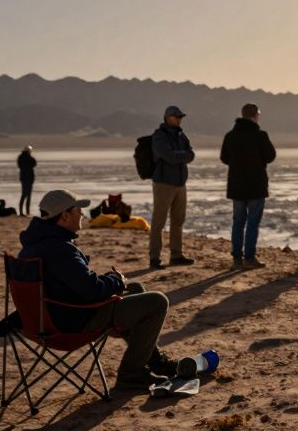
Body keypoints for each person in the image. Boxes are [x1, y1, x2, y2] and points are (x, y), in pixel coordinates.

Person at [18, 189, 178, 392]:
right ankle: (131, 374)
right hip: (74, 321)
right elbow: (92, 290)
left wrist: (111, 282)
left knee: (135, 288)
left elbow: (77, 283)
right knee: (158, 301)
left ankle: (155, 361)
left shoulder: (33, 246)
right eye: (78, 210)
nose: (83, 215)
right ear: (65, 216)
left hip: (47, 318)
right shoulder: (60, 249)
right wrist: (116, 279)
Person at [220, 103, 277, 270]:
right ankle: (249, 258)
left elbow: (224, 158)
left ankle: (237, 259)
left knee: (238, 221)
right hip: (256, 186)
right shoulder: (260, 135)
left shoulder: (230, 136)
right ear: (255, 116)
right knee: (252, 222)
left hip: (237, 186)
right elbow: (271, 156)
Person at [150, 105, 196, 269]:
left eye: (180, 117)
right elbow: (168, 156)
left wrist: (180, 155)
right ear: (168, 117)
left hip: (180, 184)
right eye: (176, 117)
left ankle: (176, 255)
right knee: (158, 222)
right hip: (164, 183)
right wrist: (182, 155)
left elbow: (191, 154)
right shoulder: (159, 136)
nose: (179, 119)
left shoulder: (181, 136)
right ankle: (154, 258)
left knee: (178, 221)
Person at [17, 146, 37, 216]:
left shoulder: (21, 157)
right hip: (26, 178)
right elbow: (34, 163)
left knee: (28, 195)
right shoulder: (23, 158)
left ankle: (27, 212)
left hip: (27, 178)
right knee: (24, 194)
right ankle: (22, 212)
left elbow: (34, 163)